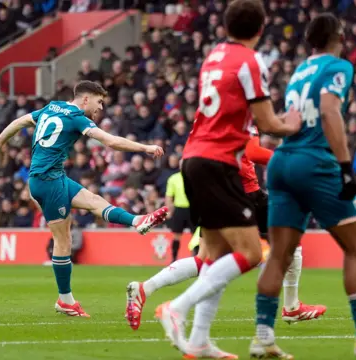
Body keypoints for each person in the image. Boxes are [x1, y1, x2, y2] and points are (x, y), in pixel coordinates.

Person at [250, 14, 356, 359]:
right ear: (338, 35)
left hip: (282, 162)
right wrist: (345, 167)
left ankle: (262, 337)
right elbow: (328, 111)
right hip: (316, 164)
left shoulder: (299, 71)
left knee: (279, 254)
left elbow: (286, 120)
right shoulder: (338, 66)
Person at [154, 0, 302, 358]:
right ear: (261, 28)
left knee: (216, 254)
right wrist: (294, 127)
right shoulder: (252, 61)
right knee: (251, 252)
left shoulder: (215, 54)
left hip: (194, 157)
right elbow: (267, 123)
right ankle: (177, 307)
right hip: (219, 162)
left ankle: (201, 339)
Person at [0, 81, 169, 317]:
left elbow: (21, 121)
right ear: (86, 99)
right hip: (49, 182)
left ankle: (137, 221)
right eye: (99, 102)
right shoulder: (77, 117)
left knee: (94, 201)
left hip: (51, 178)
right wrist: (146, 148)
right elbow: (110, 141)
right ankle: (65, 300)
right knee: (63, 241)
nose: (100, 108)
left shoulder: (52, 107)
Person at [125, 127, 326, 331]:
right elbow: (254, 152)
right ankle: (289, 307)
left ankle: (146, 288)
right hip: (243, 194)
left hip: (212, 194)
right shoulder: (239, 108)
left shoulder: (207, 114)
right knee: (278, 245)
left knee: (204, 260)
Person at [164, 167, 196, 263]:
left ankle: (196, 258)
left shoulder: (195, 176)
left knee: (195, 236)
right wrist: (168, 211)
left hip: (193, 209)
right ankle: (174, 258)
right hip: (179, 209)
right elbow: (169, 196)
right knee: (176, 235)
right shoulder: (174, 178)